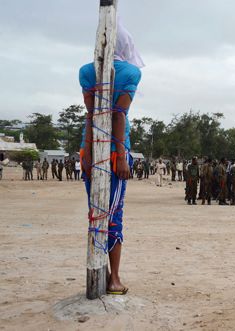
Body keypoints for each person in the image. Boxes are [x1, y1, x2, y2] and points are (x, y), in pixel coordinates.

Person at [80, 19, 144, 296]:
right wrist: (120, 157)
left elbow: (92, 115)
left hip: (91, 150)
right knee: (114, 215)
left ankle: (101, 274)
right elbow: (118, 114)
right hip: (115, 151)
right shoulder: (130, 73)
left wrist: (87, 152)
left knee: (96, 213)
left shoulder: (85, 71)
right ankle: (114, 279)